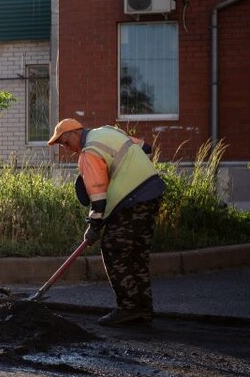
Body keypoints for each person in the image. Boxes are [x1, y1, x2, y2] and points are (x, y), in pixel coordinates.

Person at [47, 118, 165, 327]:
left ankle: (128, 307)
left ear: (75, 133)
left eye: (65, 143)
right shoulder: (107, 131)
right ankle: (143, 309)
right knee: (137, 254)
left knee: (114, 248)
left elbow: (98, 198)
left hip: (133, 199)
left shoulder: (89, 152)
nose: (67, 149)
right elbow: (146, 148)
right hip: (152, 191)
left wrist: (93, 227)